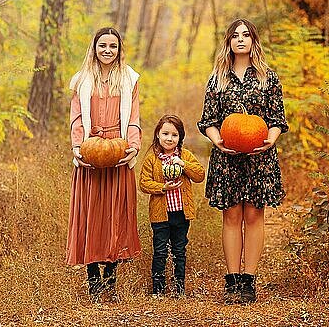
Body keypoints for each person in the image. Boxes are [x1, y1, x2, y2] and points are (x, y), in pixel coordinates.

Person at [197, 18, 288, 304]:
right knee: (232, 216)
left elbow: (277, 120)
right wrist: (218, 141)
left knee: (254, 216)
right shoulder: (217, 78)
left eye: (245, 35)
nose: (240, 39)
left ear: (253, 41)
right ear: (228, 42)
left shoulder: (267, 78)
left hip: (259, 158)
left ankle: (249, 281)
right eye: (235, 35)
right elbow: (208, 121)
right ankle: (232, 280)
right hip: (228, 158)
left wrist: (270, 140)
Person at [66, 27, 142, 303]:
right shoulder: (83, 80)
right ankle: (92, 279)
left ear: (119, 49)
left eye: (113, 46)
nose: (107, 50)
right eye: (102, 46)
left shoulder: (129, 79)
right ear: (94, 48)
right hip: (91, 151)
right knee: (91, 214)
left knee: (114, 213)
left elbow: (134, 116)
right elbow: (76, 118)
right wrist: (78, 148)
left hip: (117, 149)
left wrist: (132, 146)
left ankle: (111, 277)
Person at [139, 115, 205, 297]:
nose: (170, 138)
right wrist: (162, 187)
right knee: (160, 251)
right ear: (158, 135)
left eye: (174, 135)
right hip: (161, 215)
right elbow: (144, 183)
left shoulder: (185, 156)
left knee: (179, 251)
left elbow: (200, 175)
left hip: (181, 214)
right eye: (165, 133)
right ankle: (158, 290)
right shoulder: (152, 159)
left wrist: (183, 165)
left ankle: (179, 289)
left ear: (180, 138)